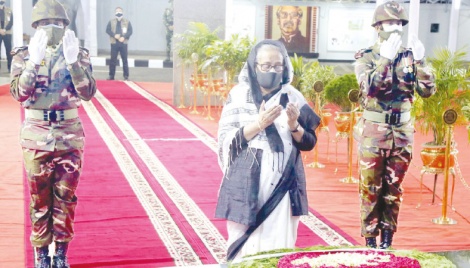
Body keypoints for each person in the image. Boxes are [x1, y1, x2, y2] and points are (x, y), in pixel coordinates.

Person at [215, 40, 320, 261]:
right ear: (254, 66)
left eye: (277, 66)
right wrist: (258, 124)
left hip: (285, 180)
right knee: (244, 245)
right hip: (247, 179)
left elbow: (309, 142)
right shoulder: (238, 95)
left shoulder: (294, 97)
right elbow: (227, 141)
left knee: (279, 245)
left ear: (285, 67)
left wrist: (294, 125)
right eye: (266, 66)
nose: (272, 71)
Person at [9, 0, 96, 267]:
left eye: (57, 23)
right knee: (39, 199)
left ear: (66, 26)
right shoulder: (23, 55)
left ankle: (61, 254)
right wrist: (33, 62)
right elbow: (19, 93)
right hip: (36, 135)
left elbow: (88, 93)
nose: (52, 28)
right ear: (35, 27)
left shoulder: (77, 53)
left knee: (66, 198)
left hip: (69, 135)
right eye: (45, 24)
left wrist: (73, 63)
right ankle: (41, 255)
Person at [354, 1, 435, 249]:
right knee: (370, 189)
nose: (396, 27)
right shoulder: (366, 57)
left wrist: (421, 63)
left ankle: (387, 240)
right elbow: (369, 89)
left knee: (394, 189)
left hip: (401, 134)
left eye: (399, 23)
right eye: (390, 23)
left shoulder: (409, 57)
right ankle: (370, 240)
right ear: (378, 27)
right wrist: (385, 61)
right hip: (374, 135)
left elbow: (427, 91)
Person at [106, 6, 133, 81]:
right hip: (114, 43)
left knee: (124, 60)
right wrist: (114, 35)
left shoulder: (127, 22)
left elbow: (130, 31)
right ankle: (111, 76)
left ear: (122, 12)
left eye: (120, 11)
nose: (118, 13)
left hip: (123, 43)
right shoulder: (111, 21)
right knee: (113, 60)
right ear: (115, 13)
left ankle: (126, 76)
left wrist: (124, 37)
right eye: (117, 11)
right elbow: (107, 30)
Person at [0, 0, 13, 72]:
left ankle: (10, 68)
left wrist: (4, 30)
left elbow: (11, 22)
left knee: (9, 51)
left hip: (7, 33)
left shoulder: (9, 10)